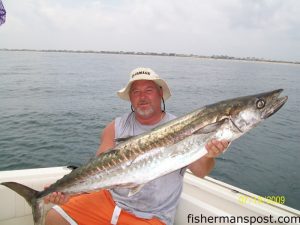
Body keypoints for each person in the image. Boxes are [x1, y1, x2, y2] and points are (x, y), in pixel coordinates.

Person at [45, 67, 229, 225]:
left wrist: (209, 154)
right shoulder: (115, 127)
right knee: (54, 217)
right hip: (111, 201)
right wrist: (69, 192)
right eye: (136, 92)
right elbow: (97, 172)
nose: (142, 97)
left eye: (148, 90)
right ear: (130, 99)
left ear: (160, 94)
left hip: (153, 216)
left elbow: (200, 172)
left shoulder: (184, 126)